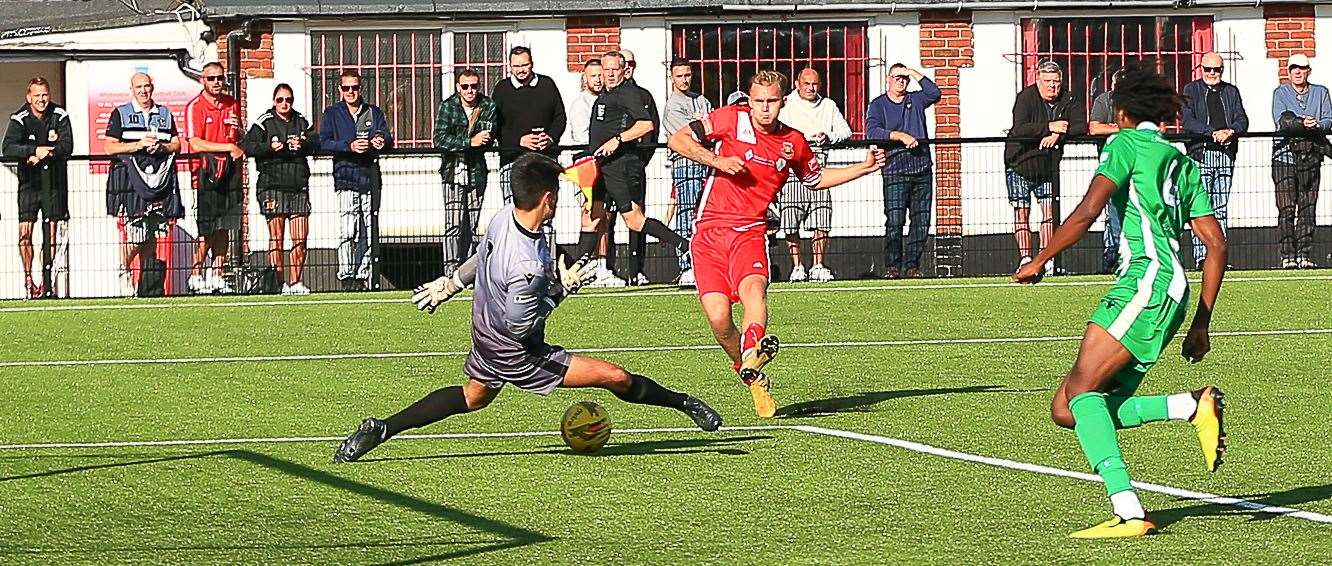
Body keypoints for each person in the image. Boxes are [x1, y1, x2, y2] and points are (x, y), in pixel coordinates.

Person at [333, 153, 722, 463]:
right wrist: (561, 291)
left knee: (473, 397)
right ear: (547, 199)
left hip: (485, 336)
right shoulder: (527, 266)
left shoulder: (504, 217)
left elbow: (480, 257)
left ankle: (381, 428)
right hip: (515, 352)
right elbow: (522, 328)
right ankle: (683, 403)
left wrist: (450, 284)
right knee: (615, 376)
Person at [1014, 64, 1227, 539]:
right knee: (1067, 409)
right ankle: (1190, 406)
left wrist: (1039, 258)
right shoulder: (1182, 160)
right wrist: (1201, 323)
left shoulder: (1123, 144)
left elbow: (1089, 209)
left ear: (1124, 111)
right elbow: (1215, 243)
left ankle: (1128, 510)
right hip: (1172, 290)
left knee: (1082, 393)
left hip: (1145, 281)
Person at [667, 70, 886, 417]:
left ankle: (753, 347)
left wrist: (862, 168)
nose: (764, 109)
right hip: (709, 233)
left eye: (771, 102)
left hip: (752, 232)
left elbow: (815, 178)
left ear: (783, 102)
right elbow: (677, 140)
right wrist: (717, 160)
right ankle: (749, 371)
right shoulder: (729, 119)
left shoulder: (793, 142)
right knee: (720, 319)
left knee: (755, 291)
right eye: (758, 102)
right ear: (749, 100)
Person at [583, 51, 689, 284]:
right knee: (591, 216)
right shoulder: (604, 95)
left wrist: (618, 140)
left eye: (614, 70)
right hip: (601, 166)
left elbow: (646, 125)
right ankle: (582, 270)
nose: (610, 74)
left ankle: (685, 246)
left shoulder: (628, 93)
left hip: (618, 167)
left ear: (624, 70)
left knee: (635, 220)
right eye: (606, 69)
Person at [104, 72, 184, 297]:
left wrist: (162, 147)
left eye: (147, 86)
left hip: (159, 181)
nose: (143, 91)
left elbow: (177, 144)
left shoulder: (165, 113)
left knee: (153, 234)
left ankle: (147, 285)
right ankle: (123, 270)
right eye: (139, 87)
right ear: (132, 88)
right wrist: (138, 145)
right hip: (132, 184)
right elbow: (109, 147)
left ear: (153, 87)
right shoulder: (120, 113)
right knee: (136, 235)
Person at [1005, 60, 1087, 273]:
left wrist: (1058, 134)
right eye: (1048, 81)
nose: (1053, 86)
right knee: (1021, 211)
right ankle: (1025, 258)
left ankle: (1045, 258)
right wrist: (1048, 127)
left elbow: (1080, 126)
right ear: (1038, 81)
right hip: (1020, 163)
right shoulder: (1025, 97)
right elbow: (1019, 128)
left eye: (1056, 82)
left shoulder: (1069, 98)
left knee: (1049, 212)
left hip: (1048, 166)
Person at [319, 69, 394, 291]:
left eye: (355, 87)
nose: (351, 91)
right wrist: (348, 146)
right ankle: (346, 274)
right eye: (346, 88)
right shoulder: (332, 113)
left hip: (369, 178)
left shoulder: (374, 111)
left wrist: (381, 140)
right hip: (345, 177)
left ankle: (363, 275)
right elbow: (323, 142)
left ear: (361, 88)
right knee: (348, 229)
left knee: (368, 229)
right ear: (340, 90)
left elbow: (386, 136)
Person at [777, 68, 852, 282]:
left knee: (822, 215)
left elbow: (845, 131)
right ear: (797, 83)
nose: (811, 88)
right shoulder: (786, 104)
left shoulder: (828, 105)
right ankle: (797, 266)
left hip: (820, 165)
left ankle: (818, 265)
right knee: (790, 217)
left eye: (815, 84)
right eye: (806, 83)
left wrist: (829, 136)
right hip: (792, 166)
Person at [867, 63, 940, 279]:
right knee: (895, 220)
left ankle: (912, 265)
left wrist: (913, 73)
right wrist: (900, 136)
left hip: (921, 168)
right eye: (897, 77)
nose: (901, 81)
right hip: (895, 170)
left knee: (921, 220)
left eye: (904, 78)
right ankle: (892, 266)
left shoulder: (915, 100)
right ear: (888, 79)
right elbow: (873, 131)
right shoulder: (878, 104)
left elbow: (934, 93)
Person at [243, 83, 317, 295]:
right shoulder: (264, 122)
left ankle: (296, 282)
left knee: (300, 238)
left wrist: (303, 143)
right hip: (272, 185)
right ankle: (279, 282)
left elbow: (317, 142)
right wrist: (269, 148)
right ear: (274, 101)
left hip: (298, 185)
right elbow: (248, 146)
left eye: (289, 100)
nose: (285, 104)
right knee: (277, 237)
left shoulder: (301, 120)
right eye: (280, 100)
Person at [3, 77, 73, 299]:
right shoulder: (19, 118)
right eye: (37, 96)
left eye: (45, 95)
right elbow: (8, 148)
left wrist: (49, 153)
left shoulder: (60, 115)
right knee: (25, 234)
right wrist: (32, 152)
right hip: (29, 185)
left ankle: (47, 280)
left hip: (54, 185)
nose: (42, 100)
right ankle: (28, 279)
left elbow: (67, 146)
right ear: (29, 97)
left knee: (50, 235)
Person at [1182, 52, 1248, 270]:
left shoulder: (1231, 91)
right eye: (1208, 69)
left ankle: (1218, 257)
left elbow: (1242, 119)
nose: (1212, 73)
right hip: (1200, 153)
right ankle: (1202, 258)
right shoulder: (1191, 90)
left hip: (1225, 153)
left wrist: (1231, 131)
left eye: (1216, 69)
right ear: (1201, 69)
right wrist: (1212, 133)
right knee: (1200, 207)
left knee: (1220, 207)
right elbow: (1188, 120)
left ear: (1222, 70)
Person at [184, 62, 245, 294]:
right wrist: (227, 146)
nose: (217, 82)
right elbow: (195, 142)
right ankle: (196, 273)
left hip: (230, 172)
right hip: (205, 173)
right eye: (212, 78)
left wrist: (238, 131)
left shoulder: (232, 104)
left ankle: (217, 274)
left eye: (220, 78)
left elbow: (239, 137)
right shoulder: (195, 107)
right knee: (206, 228)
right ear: (203, 80)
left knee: (225, 227)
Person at [564, 59, 625, 288]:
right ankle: (583, 265)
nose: (598, 80)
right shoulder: (580, 104)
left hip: (607, 162)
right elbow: (585, 138)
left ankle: (602, 266)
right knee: (591, 215)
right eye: (593, 76)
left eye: (601, 75)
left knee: (606, 217)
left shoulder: (610, 100)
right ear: (584, 79)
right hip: (587, 164)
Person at [433, 69, 498, 278]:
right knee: (453, 224)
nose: (470, 91)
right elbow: (440, 139)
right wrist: (469, 141)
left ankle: (468, 274)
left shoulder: (487, 105)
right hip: (452, 172)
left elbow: (489, 135)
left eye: (474, 86)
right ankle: (450, 270)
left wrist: (475, 141)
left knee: (472, 224)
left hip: (477, 172)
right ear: (458, 87)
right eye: (465, 86)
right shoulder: (448, 106)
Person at [1270, 53, 1329, 269]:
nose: (1297, 71)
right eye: (1293, 67)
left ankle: (1304, 255)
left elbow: (1328, 118)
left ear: (1308, 71)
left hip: (1312, 157)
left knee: (1308, 208)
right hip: (1284, 158)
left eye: (1302, 68)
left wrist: (1318, 125)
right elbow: (1281, 120)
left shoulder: (1321, 92)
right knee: (1286, 209)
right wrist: (1302, 123)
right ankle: (1287, 256)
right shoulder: (1281, 92)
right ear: (1288, 71)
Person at [662, 58, 713, 287]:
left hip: (706, 163)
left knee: (705, 214)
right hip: (686, 163)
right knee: (686, 212)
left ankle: (705, 262)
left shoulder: (702, 100)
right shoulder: (672, 106)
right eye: (679, 75)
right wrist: (701, 128)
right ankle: (686, 264)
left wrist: (701, 127)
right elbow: (688, 137)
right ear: (671, 78)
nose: (684, 80)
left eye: (687, 75)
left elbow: (713, 129)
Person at [491, 46, 566, 200]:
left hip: (545, 159)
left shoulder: (547, 84)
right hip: (513, 161)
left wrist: (551, 138)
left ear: (532, 64)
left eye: (524, 65)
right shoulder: (502, 89)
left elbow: (560, 117)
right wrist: (518, 141)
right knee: (515, 208)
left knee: (545, 207)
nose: (521, 70)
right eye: (516, 66)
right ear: (510, 66)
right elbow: (494, 126)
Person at [615, 48, 663, 285]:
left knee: (637, 217)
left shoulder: (643, 95)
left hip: (634, 166)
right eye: (625, 63)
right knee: (606, 217)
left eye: (631, 63)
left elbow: (652, 129)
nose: (628, 67)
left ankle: (637, 270)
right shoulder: (609, 94)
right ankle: (609, 269)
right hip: (609, 166)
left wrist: (641, 160)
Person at [1088, 68, 1126, 274]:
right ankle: (1115, 254)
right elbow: (1094, 128)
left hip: (1138, 164)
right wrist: (1123, 130)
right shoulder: (1104, 100)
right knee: (1114, 209)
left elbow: (1158, 127)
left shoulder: (1140, 102)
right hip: (1112, 163)